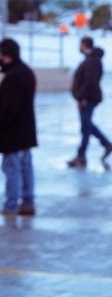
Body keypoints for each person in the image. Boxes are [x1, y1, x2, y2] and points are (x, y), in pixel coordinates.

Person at [0, 38, 37, 216]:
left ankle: (11, 205)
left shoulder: (12, 77)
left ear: (7, 56)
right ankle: (27, 202)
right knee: (25, 167)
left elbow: (8, 109)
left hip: (12, 134)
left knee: (12, 169)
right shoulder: (27, 72)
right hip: (26, 132)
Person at [67, 36, 112, 168]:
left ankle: (82, 155)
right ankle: (106, 145)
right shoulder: (91, 60)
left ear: (84, 45)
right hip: (87, 98)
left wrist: (82, 97)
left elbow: (90, 82)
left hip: (88, 99)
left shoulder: (92, 61)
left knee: (86, 126)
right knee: (86, 125)